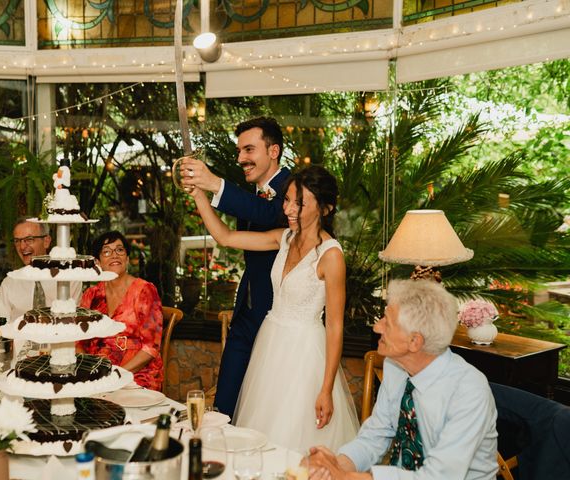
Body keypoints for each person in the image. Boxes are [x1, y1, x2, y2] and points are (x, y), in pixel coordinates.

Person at [188, 165, 358, 452]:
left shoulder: (331, 256)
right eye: (287, 199)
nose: (289, 208)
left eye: (299, 203)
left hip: (304, 355)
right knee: (259, 431)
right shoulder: (284, 238)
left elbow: (335, 326)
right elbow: (226, 237)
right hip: (270, 343)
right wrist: (199, 196)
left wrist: (326, 389)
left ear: (325, 209)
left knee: (292, 437)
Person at [307, 279, 498, 480]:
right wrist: (336, 464)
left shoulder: (468, 391)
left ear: (414, 342)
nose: (377, 327)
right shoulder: (395, 365)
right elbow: (376, 434)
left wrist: (347, 478)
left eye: (387, 322)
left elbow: (439, 476)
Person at [180, 116, 291, 417]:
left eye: (249, 149)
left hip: (278, 319)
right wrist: (199, 195)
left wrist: (214, 182)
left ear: (273, 151)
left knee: (264, 412)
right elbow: (227, 238)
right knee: (224, 406)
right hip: (246, 312)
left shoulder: (293, 191)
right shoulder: (253, 194)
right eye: (240, 151)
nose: (241, 158)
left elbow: (269, 216)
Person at [76, 230, 164, 390]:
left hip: (137, 376)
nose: (114, 255)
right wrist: (91, 372)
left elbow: (151, 348)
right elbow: (79, 342)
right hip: (98, 377)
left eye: (120, 250)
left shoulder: (144, 290)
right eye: (107, 251)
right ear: (97, 262)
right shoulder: (91, 295)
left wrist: (116, 375)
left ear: (127, 258)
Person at [0, 217, 82, 331]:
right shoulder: (10, 282)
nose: (22, 247)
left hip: (57, 345)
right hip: (19, 347)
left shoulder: (69, 278)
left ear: (46, 241)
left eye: (29, 239)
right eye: (17, 241)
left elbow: (74, 324)